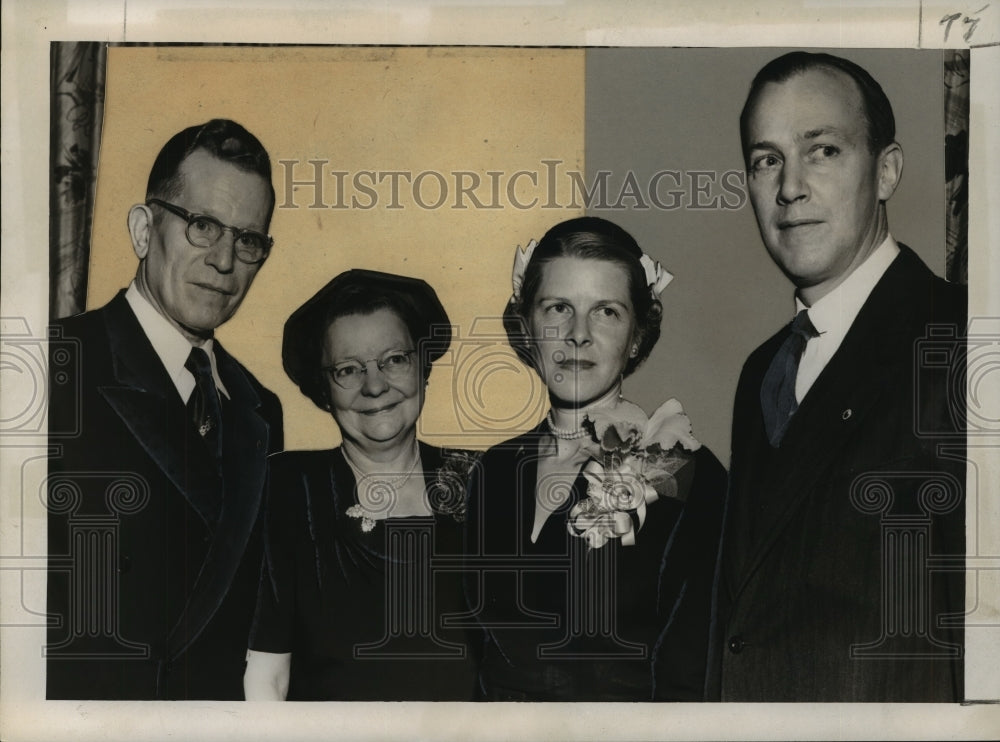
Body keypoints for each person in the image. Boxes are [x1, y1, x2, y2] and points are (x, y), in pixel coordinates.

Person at [710, 52, 967, 702]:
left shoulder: (961, 338)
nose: (789, 186)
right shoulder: (762, 370)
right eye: (766, 159)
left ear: (886, 171)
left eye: (821, 150)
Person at [46, 119, 284, 700]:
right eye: (203, 226)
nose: (225, 260)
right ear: (143, 230)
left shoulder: (260, 409)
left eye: (248, 240)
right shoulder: (54, 364)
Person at [463, 216, 727, 701]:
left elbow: (695, 674)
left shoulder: (685, 473)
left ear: (637, 338)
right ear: (526, 326)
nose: (577, 334)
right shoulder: (495, 469)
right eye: (557, 307)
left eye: (605, 311)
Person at [244, 269, 481, 701]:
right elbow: (266, 671)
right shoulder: (287, 489)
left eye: (394, 360)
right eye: (348, 370)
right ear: (323, 388)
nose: (375, 386)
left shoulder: (482, 481)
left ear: (422, 365)